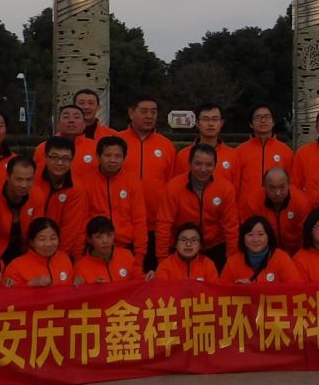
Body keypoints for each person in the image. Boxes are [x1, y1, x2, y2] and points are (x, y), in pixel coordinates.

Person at [154, 142, 238, 268]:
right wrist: (162, 259)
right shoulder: (173, 187)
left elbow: (231, 227)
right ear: (189, 163)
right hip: (180, 246)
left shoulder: (226, 188)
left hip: (213, 246)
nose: (203, 169)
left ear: (215, 165)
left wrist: (232, 261)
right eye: (198, 164)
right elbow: (163, 224)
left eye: (209, 165)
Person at [119, 94, 178, 266]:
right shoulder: (117, 142)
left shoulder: (166, 146)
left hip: (156, 225)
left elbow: (172, 186)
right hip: (123, 225)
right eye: (144, 111)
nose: (149, 116)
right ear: (131, 113)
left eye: (153, 112)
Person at [83, 134, 148, 264]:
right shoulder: (86, 182)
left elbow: (139, 220)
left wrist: (139, 256)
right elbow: (81, 219)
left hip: (125, 247)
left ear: (124, 157)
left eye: (118, 156)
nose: (113, 160)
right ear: (98, 156)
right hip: (95, 248)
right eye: (107, 155)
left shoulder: (132, 182)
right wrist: (79, 255)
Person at [30, 135, 90, 260]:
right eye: (54, 157)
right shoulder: (31, 178)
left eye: (65, 158)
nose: (59, 163)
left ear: (72, 159)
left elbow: (70, 229)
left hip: (56, 248)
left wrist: (58, 258)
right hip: (28, 246)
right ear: (45, 156)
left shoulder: (76, 188)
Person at [242, 167, 311, 255]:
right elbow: (248, 235)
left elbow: (306, 235)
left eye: (282, 187)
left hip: (296, 251)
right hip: (265, 252)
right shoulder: (253, 203)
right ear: (264, 186)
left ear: (288, 184)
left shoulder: (301, 202)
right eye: (272, 188)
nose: (277, 193)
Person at [221, 216, 303, 284]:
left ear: (268, 236)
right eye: (250, 235)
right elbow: (222, 292)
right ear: (243, 238)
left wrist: (254, 289)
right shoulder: (232, 262)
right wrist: (238, 290)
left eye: (261, 234)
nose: (255, 239)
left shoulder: (281, 258)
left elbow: (295, 288)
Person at [174, 103, 240, 185]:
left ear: (221, 123)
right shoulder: (183, 155)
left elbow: (235, 188)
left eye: (215, 119)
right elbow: (177, 186)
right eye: (205, 119)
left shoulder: (233, 155)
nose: (210, 124)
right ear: (197, 123)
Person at [235, 104, 295, 191]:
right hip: (246, 199)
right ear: (251, 124)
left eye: (267, 117)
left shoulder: (286, 151)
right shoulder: (239, 152)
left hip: (276, 198)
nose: (263, 120)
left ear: (273, 122)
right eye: (258, 118)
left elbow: (292, 183)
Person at [2, 218, 75, 287]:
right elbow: (8, 293)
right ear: (31, 242)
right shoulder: (16, 266)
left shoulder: (63, 258)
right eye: (42, 239)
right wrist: (30, 284)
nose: (48, 244)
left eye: (53, 238)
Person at [74, 215, 142, 284]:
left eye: (109, 235)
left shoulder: (126, 256)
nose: (105, 241)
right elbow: (79, 290)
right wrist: (92, 288)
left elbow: (140, 281)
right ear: (89, 239)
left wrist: (147, 277)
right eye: (99, 237)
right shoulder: (80, 267)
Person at [34, 104, 99, 173]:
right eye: (66, 117)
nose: (71, 120)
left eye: (76, 117)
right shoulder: (43, 148)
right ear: (58, 124)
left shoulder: (97, 148)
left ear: (84, 125)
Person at [153, 222, 220, 281]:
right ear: (175, 244)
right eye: (183, 240)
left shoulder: (208, 265)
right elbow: (161, 290)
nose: (188, 244)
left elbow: (214, 290)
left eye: (194, 240)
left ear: (200, 245)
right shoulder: (165, 266)